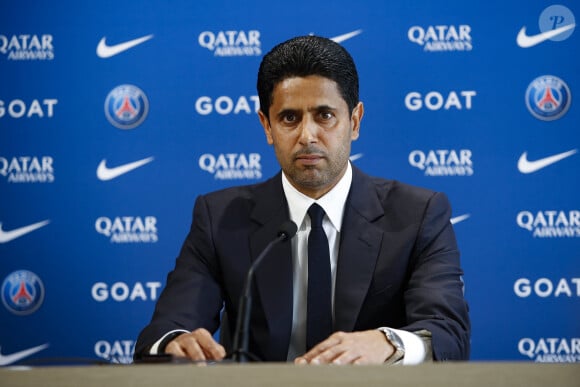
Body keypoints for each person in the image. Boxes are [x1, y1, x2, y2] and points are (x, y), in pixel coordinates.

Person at [134, 35, 470, 365]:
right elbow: (164, 332)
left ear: (354, 122)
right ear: (267, 126)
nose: (307, 136)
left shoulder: (418, 214)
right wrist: (178, 343)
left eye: (325, 116)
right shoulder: (220, 217)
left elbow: (448, 334)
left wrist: (387, 343)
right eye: (289, 118)